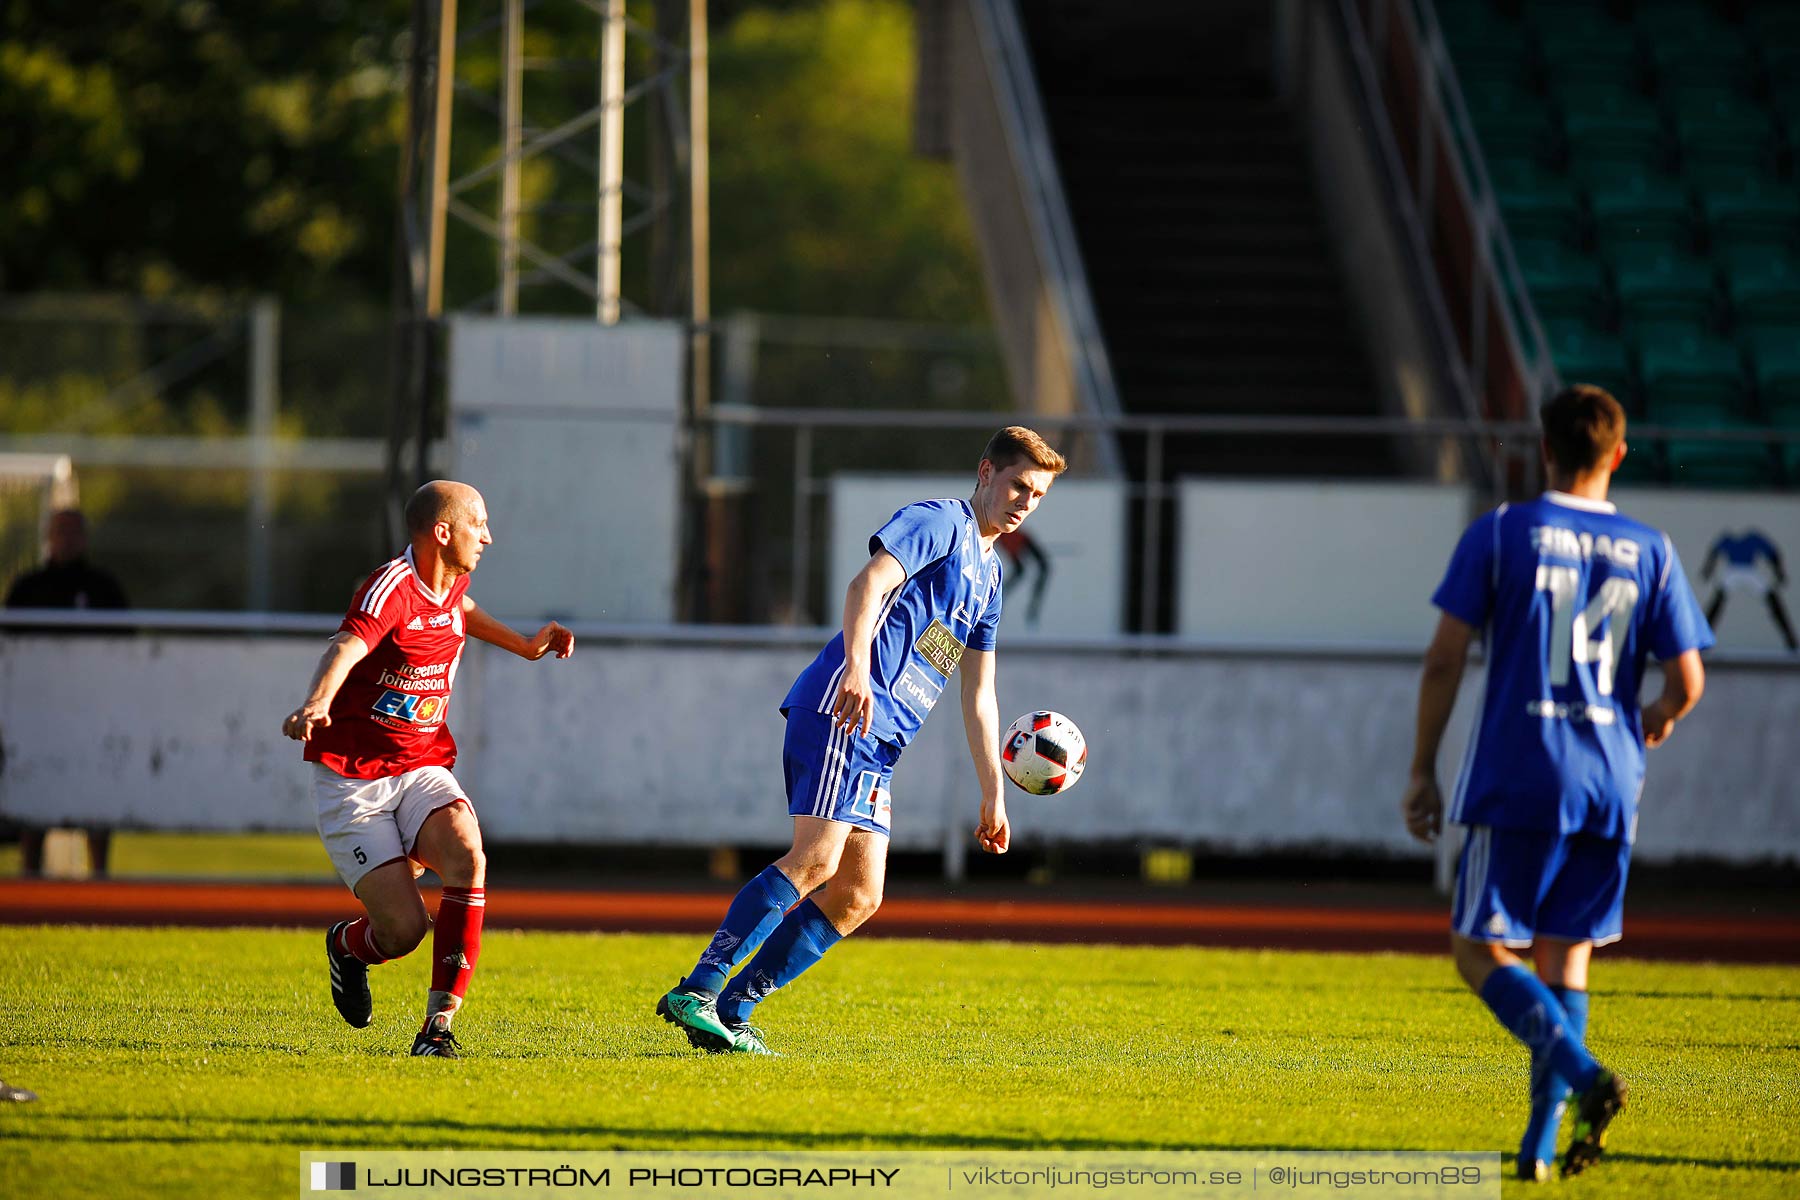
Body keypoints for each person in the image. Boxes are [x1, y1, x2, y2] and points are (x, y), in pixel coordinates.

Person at [656, 426, 1066, 1056]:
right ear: (985, 472)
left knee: (856, 895)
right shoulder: (939, 524)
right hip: (845, 712)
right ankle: (700, 988)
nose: (1024, 503)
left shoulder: (989, 580)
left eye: (1036, 496)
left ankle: (734, 1010)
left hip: (883, 742)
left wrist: (994, 795)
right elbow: (866, 585)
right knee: (815, 860)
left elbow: (979, 694)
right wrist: (855, 666)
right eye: (1017, 485)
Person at [1403, 385, 1711, 1181]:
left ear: (1543, 449)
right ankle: (1539, 1150)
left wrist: (1421, 769)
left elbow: (1444, 657)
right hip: (1611, 779)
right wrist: (1656, 718)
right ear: (1617, 454)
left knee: (1476, 949)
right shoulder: (1653, 549)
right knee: (1565, 963)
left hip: (1521, 770)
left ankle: (1584, 1077)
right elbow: (1687, 682)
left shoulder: (1505, 532)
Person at [282, 480, 573, 1059]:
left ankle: (437, 1029)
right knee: (404, 932)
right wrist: (317, 702)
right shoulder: (391, 588)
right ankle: (348, 947)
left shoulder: (450, 584)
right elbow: (346, 645)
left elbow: (459, 610)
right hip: (354, 781)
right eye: (479, 524)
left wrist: (522, 645)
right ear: (443, 532)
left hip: (419, 766)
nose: (488, 537)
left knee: (468, 852)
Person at [4, 507, 129, 877]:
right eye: (61, 531)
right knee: (33, 788)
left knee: (97, 791)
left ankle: (99, 875)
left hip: (92, 711)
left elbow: (127, 650)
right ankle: (30, 875)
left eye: (74, 532)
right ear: (48, 535)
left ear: (84, 538)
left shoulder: (103, 587)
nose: (67, 539)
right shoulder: (27, 587)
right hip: (37, 712)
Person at [1701, 528, 1796, 652]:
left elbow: (1772, 553)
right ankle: (1703, 640)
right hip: (1733, 570)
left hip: (1749, 570)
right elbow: (1714, 553)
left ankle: (1791, 641)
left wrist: (1779, 573)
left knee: (1772, 599)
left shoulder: (1752, 538)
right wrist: (1707, 571)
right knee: (1716, 603)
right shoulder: (1728, 539)